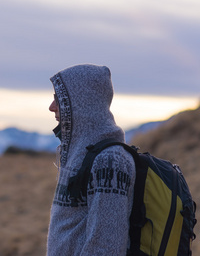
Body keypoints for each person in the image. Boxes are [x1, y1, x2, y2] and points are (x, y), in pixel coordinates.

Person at [46, 64, 136, 255]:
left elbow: (106, 248)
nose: (51, 107)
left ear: (81, 102)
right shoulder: (81, 154)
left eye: (58, 99)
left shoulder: (110, 162)